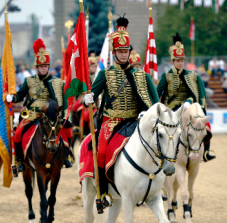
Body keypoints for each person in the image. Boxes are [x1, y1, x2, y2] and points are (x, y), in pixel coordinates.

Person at [83, 15, 159, 207]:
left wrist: (147, 114)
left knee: (157, 143)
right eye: (120, 51)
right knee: (100, 152)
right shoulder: (105, 73)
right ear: (114, 52)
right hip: (112, 122)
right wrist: (87, 98)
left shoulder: (141, 75)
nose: (124, 54)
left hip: (135, 120)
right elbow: (92, 95)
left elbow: (155, 104)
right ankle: (102, 193)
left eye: (126, 51)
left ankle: (158, 186)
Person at [6, 39, 73, 172]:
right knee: (18, 133)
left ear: (49, 67)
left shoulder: (57, 82)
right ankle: (20, 160)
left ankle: (66, 156)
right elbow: (20, 96)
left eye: (46, 66)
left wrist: (64, 117)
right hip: (31, 115)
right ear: (37, 67)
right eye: (41, 66)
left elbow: (64, 102)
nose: (43, 68)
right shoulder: (28, 81)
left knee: (68, 131)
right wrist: (11, 97)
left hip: (50, 116)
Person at [157, 32, 215, 162]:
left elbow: (199, 95)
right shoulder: (166, 75)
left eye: (182, 60)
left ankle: (206, 152)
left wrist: (189, 102)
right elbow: (158, 92)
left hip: (187, 110)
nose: (180, 62)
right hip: (170, 111)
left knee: (207, 126)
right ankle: (160, 155)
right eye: (178, 60)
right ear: (173, 61)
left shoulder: (193, 76)